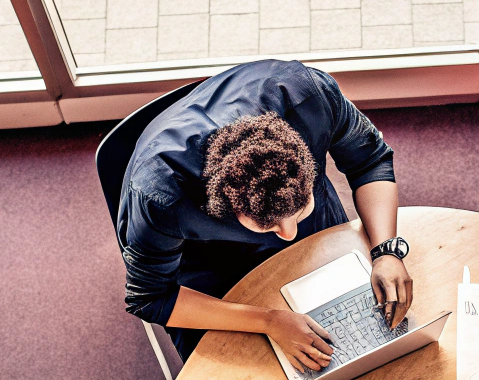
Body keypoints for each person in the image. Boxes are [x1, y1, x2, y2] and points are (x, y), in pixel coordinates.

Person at [117, 58, 414, 362]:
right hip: (209, 266)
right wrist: (267, 321)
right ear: (228, 206)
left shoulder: (310, 96)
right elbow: (151, 298)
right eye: (268, 226)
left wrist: (385, 250)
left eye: (300, 209)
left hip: (318, 223)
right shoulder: (161, 197)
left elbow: (370, 160)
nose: (289, 235)